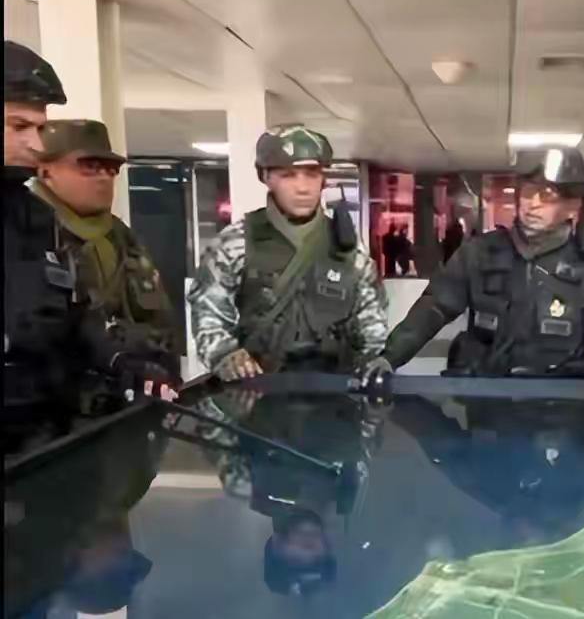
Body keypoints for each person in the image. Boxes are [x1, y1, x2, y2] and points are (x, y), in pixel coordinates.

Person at [4, 43, 175, 450]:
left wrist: (122, 361)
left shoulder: (33, 219)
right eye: (18, 126)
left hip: (43, 441)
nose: (35, 144)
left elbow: (73, 315)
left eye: (39, 129)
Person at [359, 148, 584, 383]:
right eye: (528, 192)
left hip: (561, 408)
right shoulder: (479, 253)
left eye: (547, 196)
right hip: (488, 403)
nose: (532, 204)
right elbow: (434, 308)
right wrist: (390, 357)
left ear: (572, 207)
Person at [188, 125, 388, 380]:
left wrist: (371, 366)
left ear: (323, 178)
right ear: (266, 177)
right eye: (288, 175)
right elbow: (208, 311)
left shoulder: (347, 245)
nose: (302, 188)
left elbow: (371, 323)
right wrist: (225, 355)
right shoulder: (236, 242)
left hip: (332, 390)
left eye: (311, 174)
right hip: (257, 390)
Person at [31, 119, 180, 371]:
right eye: (90, 167)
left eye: (111, 169)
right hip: (54, 388)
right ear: (46, 172)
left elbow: (160, 321)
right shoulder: (24, 233)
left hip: (129, 385)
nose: (104, 177)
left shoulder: (121, 237)